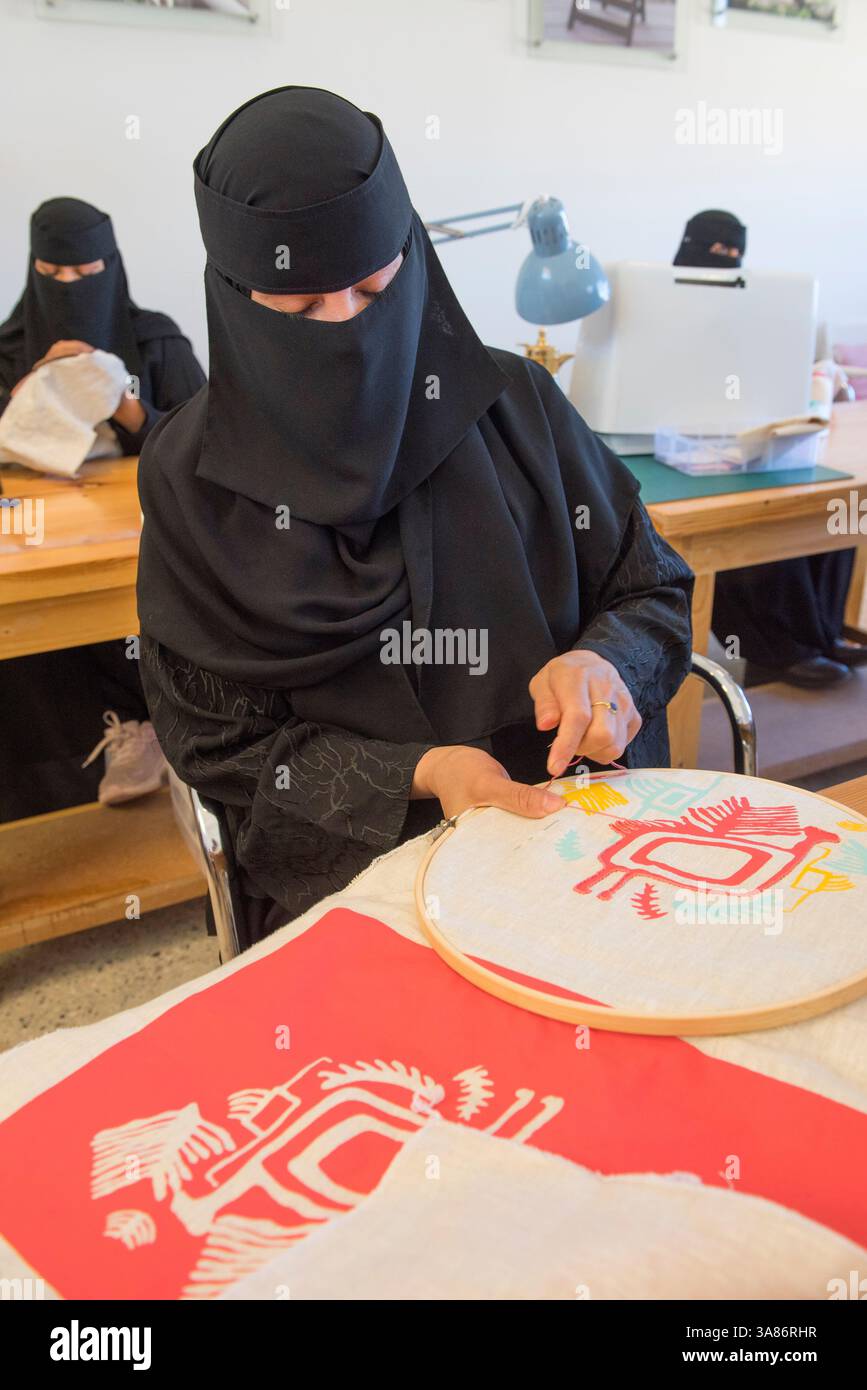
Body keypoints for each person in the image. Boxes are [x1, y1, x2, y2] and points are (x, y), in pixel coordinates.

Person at [137, 86, 694, 949]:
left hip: (571, 836)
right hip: (357, 874)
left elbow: (649, 590)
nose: (347, 329)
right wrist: (424, 774)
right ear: (235, 300)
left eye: (371, 289)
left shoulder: (521, 408)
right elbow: (219, 744)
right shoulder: (191, 481)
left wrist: (602, 660)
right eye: (302, 310)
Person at [0, 198, 206, 820]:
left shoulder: (157, 341)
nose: (69, 288)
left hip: (142, 535)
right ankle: (62, 778)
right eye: (53, 274)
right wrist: (30, 405)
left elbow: (208, 443)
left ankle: (172, 734)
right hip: (44, 541)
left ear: (111, 268)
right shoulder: (8, 352)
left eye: (87, 274)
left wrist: (125, 406)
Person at [674, 208, 866, 690]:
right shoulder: (662, 306)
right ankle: (776, 652)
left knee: (831, 515)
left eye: (736, 252)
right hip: (685, 452)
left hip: (752, 438)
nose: (728, 261)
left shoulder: (751, 306)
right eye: (717, 250)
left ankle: (820, 635)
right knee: (756, 534)